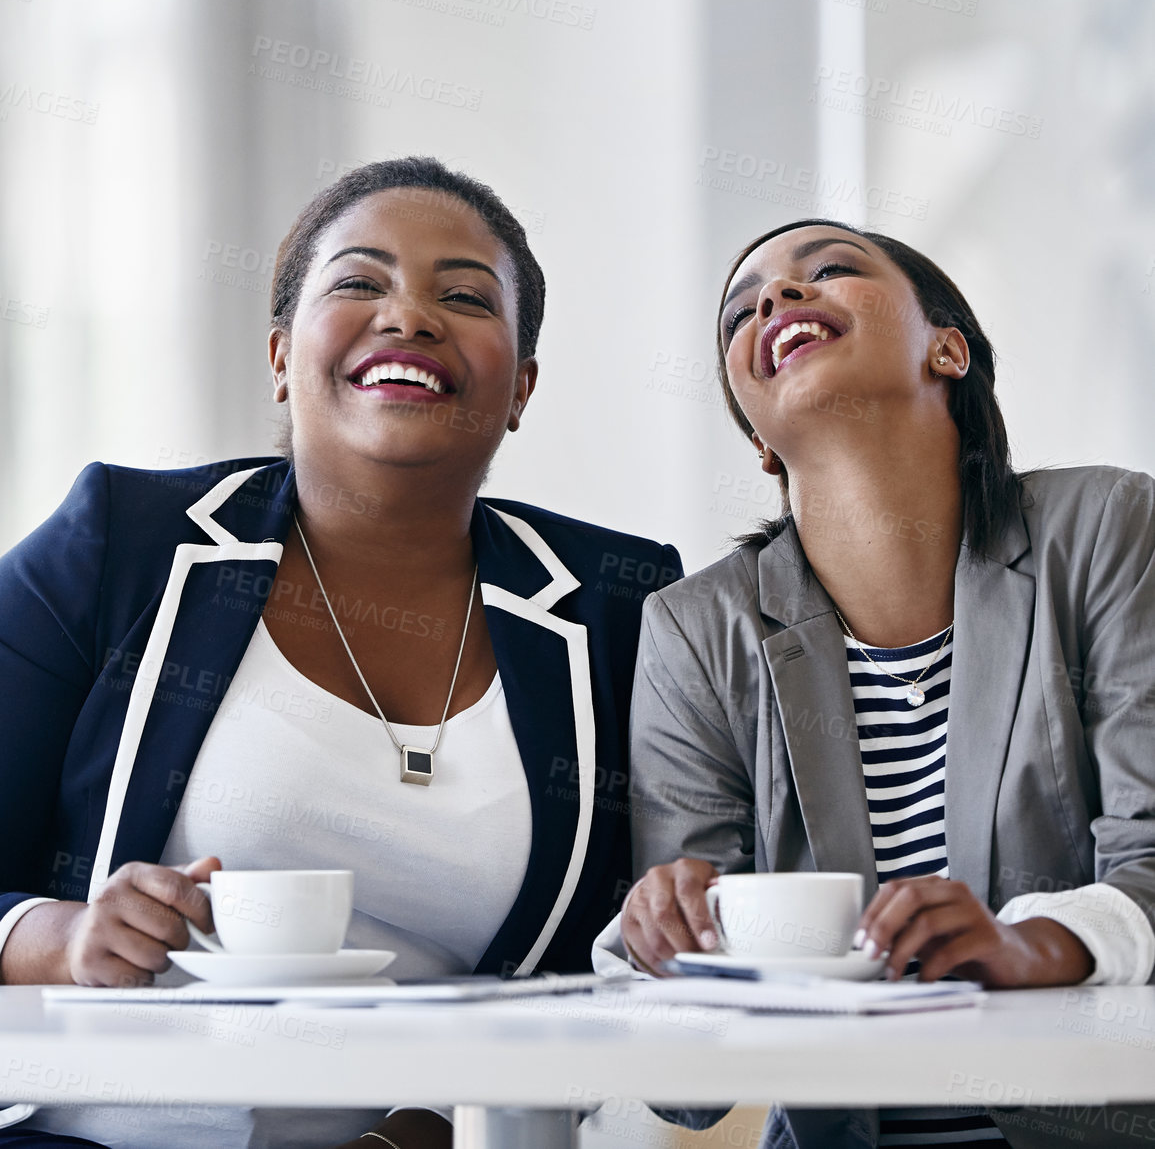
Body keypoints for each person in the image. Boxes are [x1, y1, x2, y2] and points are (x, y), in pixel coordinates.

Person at [0, 157, 681, 1149]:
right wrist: (53, 939)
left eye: (463, 296)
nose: (408, 316)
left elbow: (649, 946)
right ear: (281, 355)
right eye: (360, 282)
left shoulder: (618, 604)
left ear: (522, 384)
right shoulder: (121, 542)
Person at [614, 220, 1155, 1149]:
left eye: (827, 271)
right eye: (744, 308)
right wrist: (663, 951)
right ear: (757, 434)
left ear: (947, 347)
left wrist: (1030, 947)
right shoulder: (693, 630)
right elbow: (686, 1088)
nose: (777, 299)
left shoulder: (1103, 525)